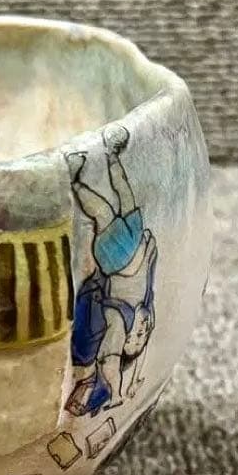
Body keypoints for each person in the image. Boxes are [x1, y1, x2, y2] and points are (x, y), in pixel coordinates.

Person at [66, 126, 157, 416]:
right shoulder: (142, 304)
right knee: (125, 198)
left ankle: (75, 180)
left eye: (136, 338)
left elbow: (109, 361)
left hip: (116, 259)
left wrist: (117, 394)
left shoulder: (117, 321)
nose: (142, 331)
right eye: (144, 334)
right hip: (131, 246)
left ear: (125, 341)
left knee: (104, 212)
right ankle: (111, 156)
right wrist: (134, 377)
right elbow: (143, 353)